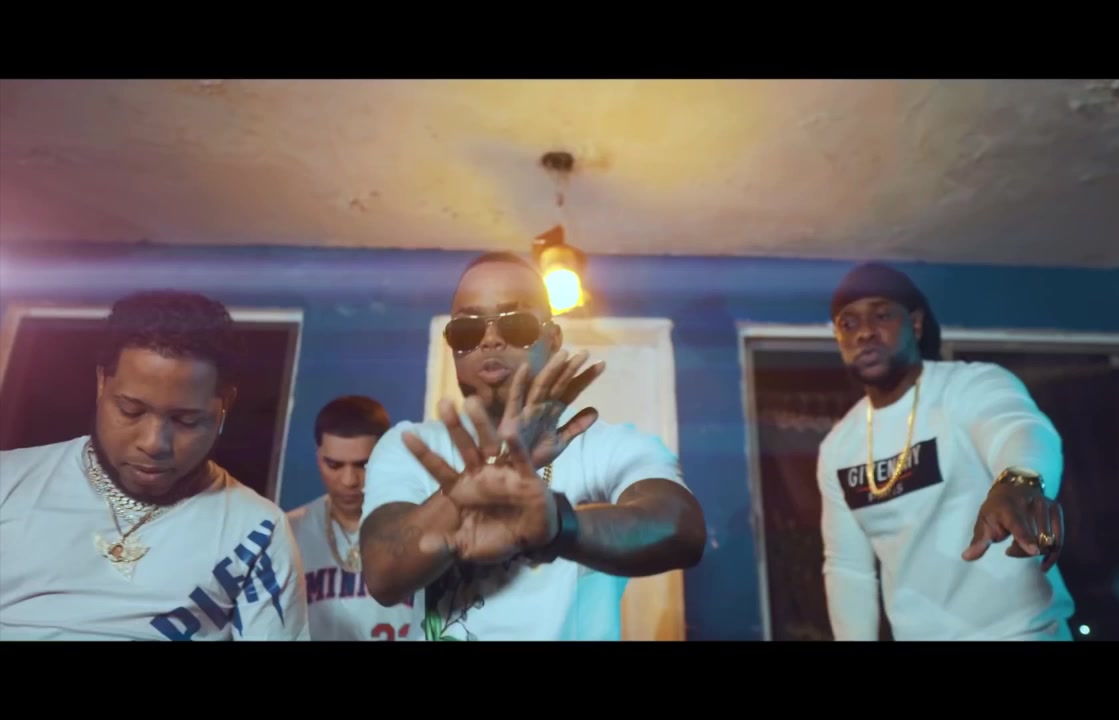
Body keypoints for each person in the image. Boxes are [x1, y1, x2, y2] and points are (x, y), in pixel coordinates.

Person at [358, 251, 706, 641]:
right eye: (467, 330)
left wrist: (559, 527)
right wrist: (476, 484)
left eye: (516, 324)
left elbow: (682, 531)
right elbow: (383, 575)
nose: (490, 338)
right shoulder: (409, 445)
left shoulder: (605, 445)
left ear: (553, 339)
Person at [0, 290, 309, 641]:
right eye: (131, 411)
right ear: (101, 383)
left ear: (225, 404)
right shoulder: (8, 483)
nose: (153, 443)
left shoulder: (257, 532)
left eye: (186, 420)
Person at [817, 263, 1075, 641]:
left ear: (916, 323)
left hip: (1021, 632)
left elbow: (1017, 428)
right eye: (848, 323)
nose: (865, 332)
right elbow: (848, 568)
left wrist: (1019, 480)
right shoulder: (838, 447)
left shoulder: (969, 386)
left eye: (882, 315)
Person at [287, 395, 426, 640]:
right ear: (318, 456)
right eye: (334, 465)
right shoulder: (288, 532)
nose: (349, 480)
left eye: (363, 464)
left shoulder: (424, 524)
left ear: (385, 455)